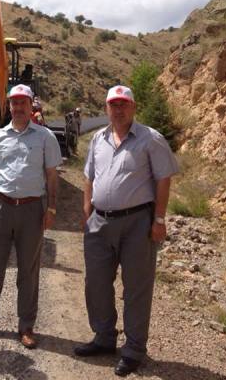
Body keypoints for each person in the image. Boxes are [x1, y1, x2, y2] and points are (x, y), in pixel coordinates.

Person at [73, 85, 178, 376]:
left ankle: (133, 350)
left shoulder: (150, 138)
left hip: (137, 223)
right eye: (113, 104)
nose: (118, 110)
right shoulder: (99, 138)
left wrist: (159, 220)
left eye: (124, 104)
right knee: (96, 283)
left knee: (136, 288)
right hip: (99, 222)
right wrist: (87, 211)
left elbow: (164, 179)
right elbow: (89, 177)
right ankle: (104, 337)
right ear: (106, 108)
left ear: (133, 107)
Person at [0, 84, 62, 349]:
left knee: (28, 270)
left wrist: (51, 208)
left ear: (31, 105)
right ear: (8, 106)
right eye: (14, 102)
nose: (19, 107)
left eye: (23, 102)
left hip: (33, 209)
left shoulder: (45, 137)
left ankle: (26, 326)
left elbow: (52, 175)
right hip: (2, 206)